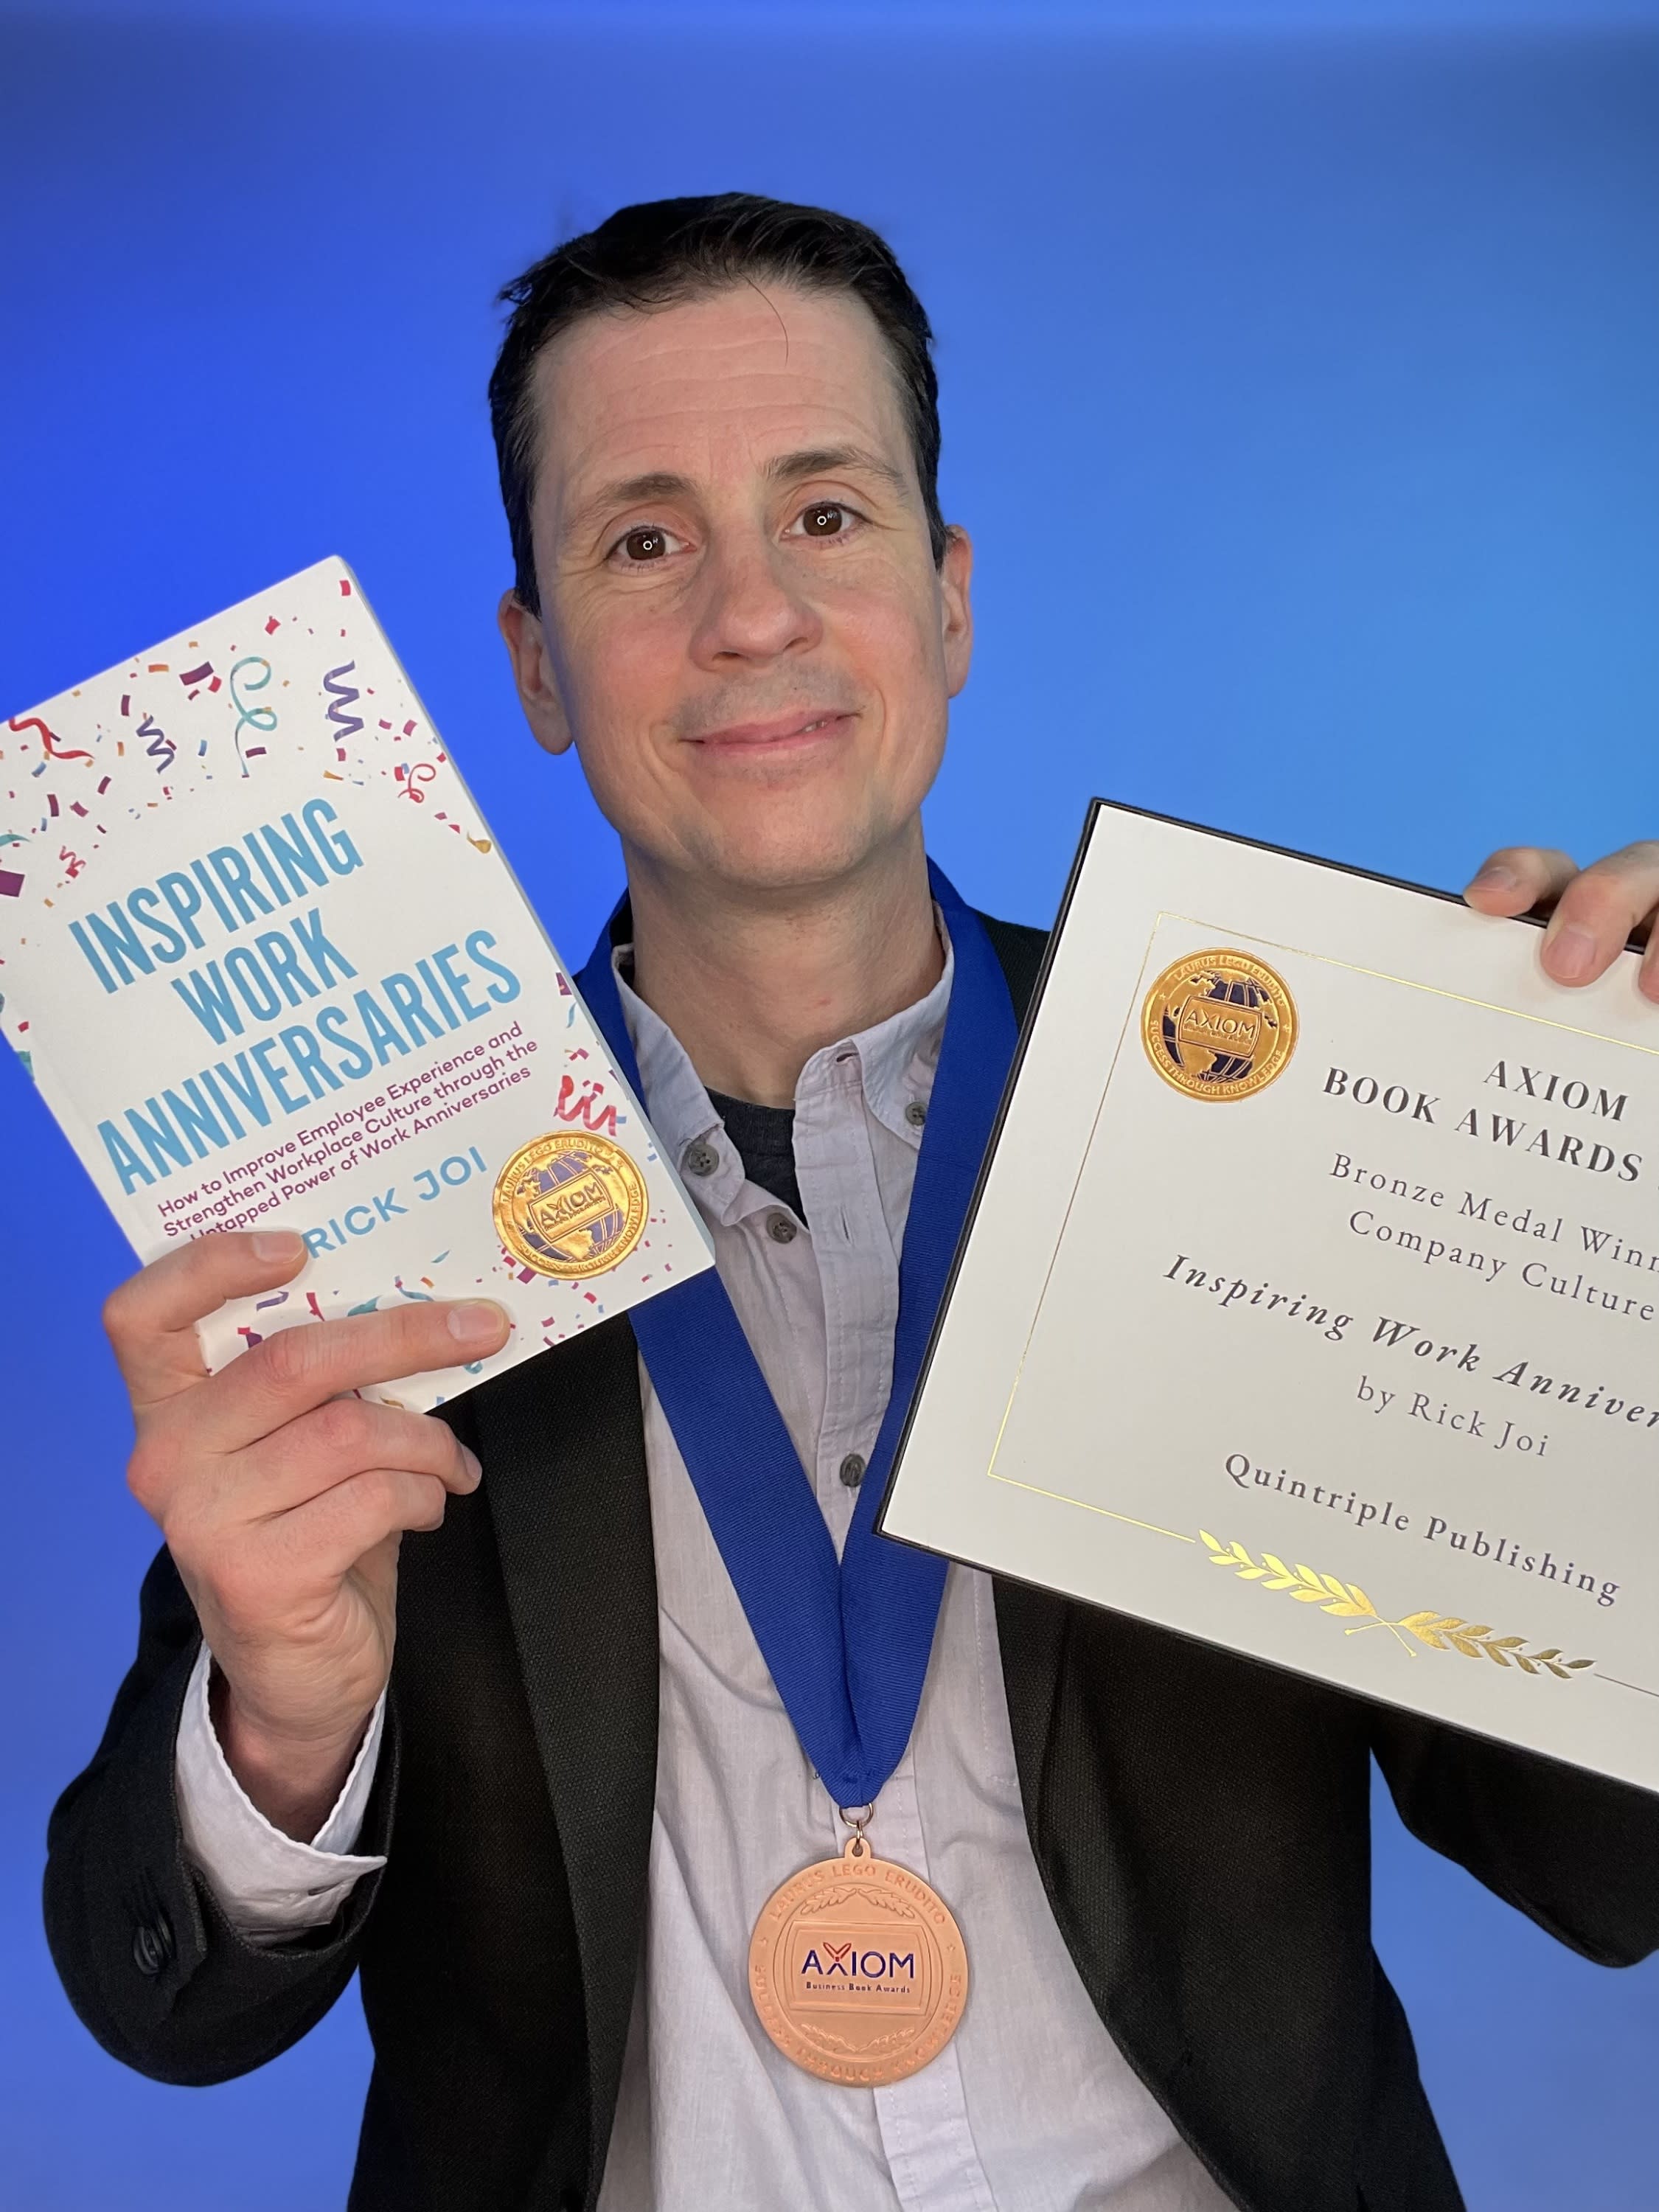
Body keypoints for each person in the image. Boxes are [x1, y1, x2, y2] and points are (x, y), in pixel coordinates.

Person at [44, 194, 1659, 2212]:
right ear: (538, 666)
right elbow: (163, 1999)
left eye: (825, 513)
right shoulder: (374, 1200)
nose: (752, 615)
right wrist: (285, 1726)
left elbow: (1604, 1870)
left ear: (948, 601)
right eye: (645, 542)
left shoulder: (1289, 1124)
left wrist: (1612, 1300)